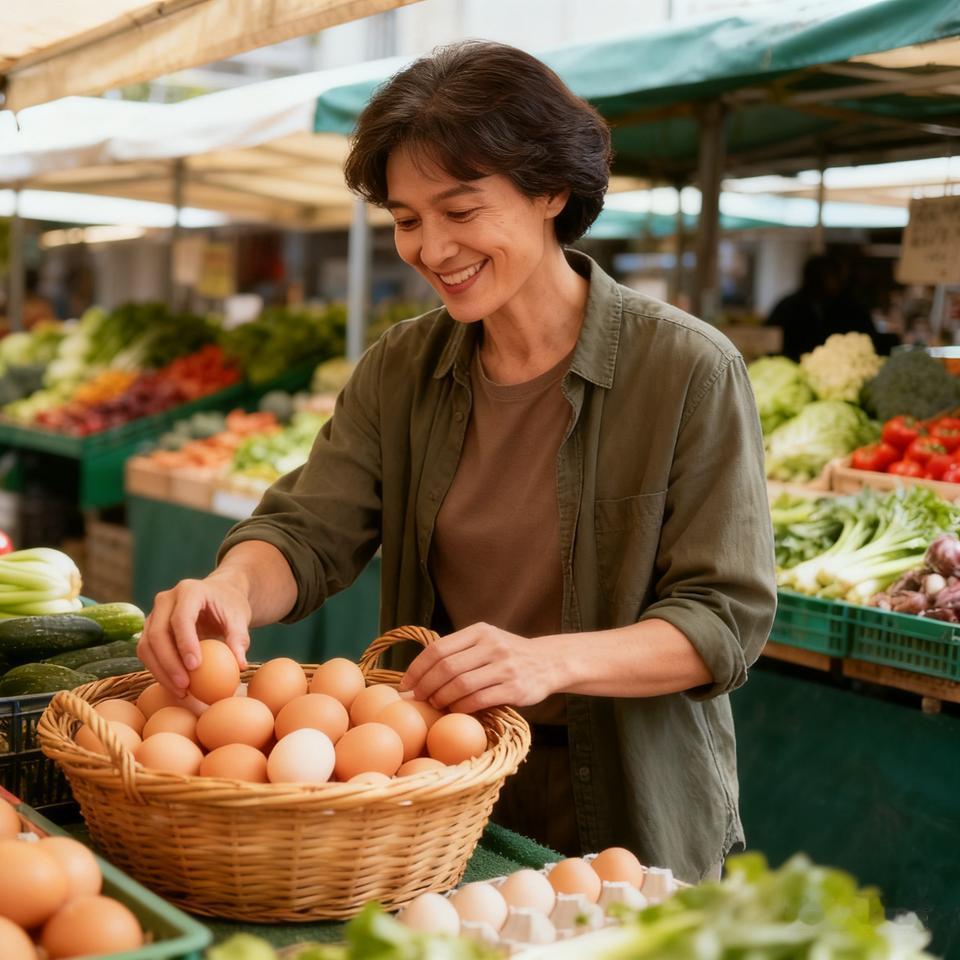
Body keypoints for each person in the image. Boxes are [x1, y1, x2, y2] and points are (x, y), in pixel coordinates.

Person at [139, 41, 775, 882]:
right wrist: (230, 587)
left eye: (461, 211)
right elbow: (307, 531)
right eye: (406, 220)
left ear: (550, 189)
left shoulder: (687, 370)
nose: (431, 249)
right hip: (433, 793)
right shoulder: (402, 369)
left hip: (631, 800)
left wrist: (548, 659)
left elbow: (725, 619)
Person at [767, 255, 877, 360]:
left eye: (834, 276)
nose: (832, 282)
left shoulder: (853, 309)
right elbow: (770, 342)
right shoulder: (788, 307)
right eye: (822, 277)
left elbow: (871, 341)